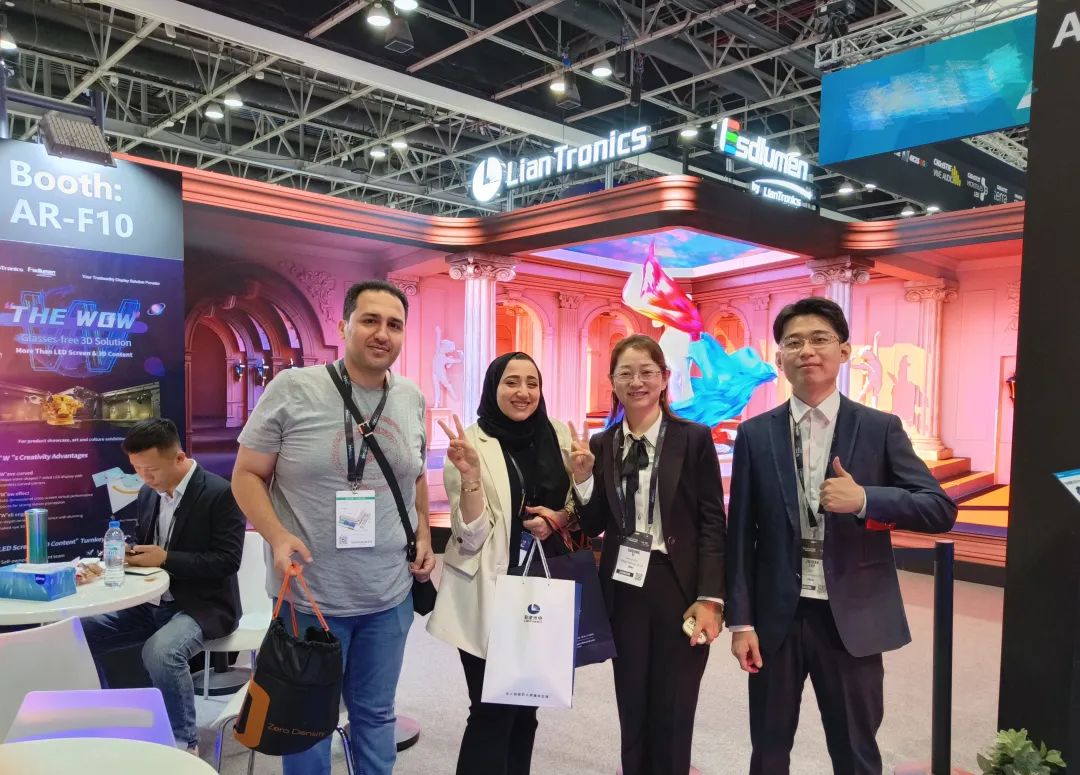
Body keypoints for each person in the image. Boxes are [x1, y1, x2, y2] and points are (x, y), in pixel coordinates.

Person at [726, 296, 958, 775]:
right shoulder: (754, 434)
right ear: (779, 358)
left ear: (844, 351)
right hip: (777, 619)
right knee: (768, 750)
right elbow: (740, 535)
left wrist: (866, 499)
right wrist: (741, 622)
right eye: (794, 343)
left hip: (852, 617)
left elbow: (939, 509)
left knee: (855, 751)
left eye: (820, 339)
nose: (807, 351)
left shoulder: (879, 428)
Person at [232, 280, 435, 775]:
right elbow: (246, 475)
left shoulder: (410, 397)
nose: (382, 333)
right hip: (309, 596)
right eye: (370, 320)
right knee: (306, 723)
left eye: (394, 325)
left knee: (376, 715)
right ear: (343, 327)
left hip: (388, 597)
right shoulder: (293, 389)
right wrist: (277, 535)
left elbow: (416, 474)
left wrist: (424, 533)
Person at [569, 334, 726, 775]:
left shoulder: (693, 439)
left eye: (646, 372)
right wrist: (582, 480)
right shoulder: (602, 444)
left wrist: (712, 598)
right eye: (626, 373)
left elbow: (713, 523)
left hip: (679, 585)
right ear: (612, 382)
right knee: (632, 699)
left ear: (664, 378)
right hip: (624, 585)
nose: (636, 382)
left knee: (675, 703)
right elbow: (595, 524)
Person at [427, 351, 575, 775]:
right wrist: (471, 477)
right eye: (511, 382)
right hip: (488, 592)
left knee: (527, 709)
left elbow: (574, 508)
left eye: (532, 382)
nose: (523, 392)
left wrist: (558, 516)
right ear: (493, 387)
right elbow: (470, 536)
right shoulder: (470, 444)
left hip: (541, 591)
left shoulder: (559, 435)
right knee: (491, 711)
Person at [83, 418, 245, 755]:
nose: (145, 477)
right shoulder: (148, 493)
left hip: (204, 605)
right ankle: (102, 718)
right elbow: (148, 548)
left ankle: (183, 743)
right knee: (80, 632)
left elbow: (227, 561)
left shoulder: (220, 493)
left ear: (179, 458)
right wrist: (126, 556)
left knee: (161, 652)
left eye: (152, 469)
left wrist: (166, 558)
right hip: (152, 602)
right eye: (137, 469)